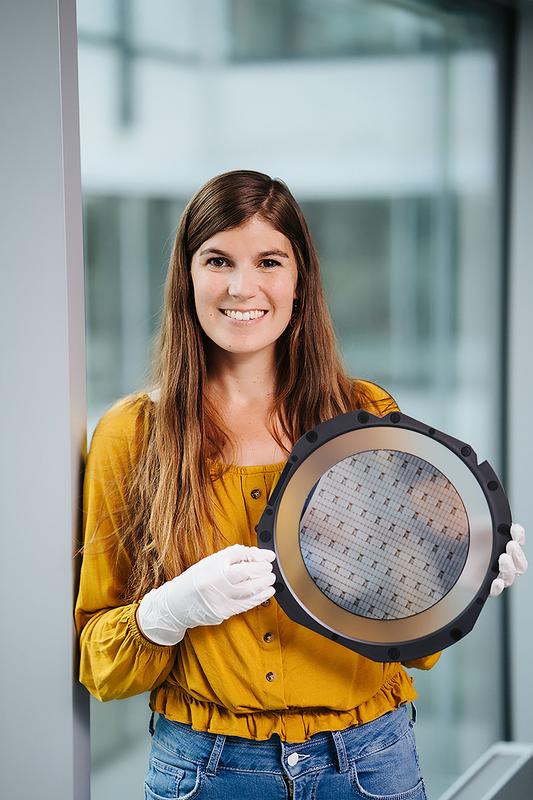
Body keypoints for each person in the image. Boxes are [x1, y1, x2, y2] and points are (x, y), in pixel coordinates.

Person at [75, 169, 527, 800]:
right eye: (218, 260)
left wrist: (462, 572)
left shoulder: (363, 417)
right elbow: (100, 662)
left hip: (371, 762)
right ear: (187, 276)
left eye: (268, 260)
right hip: (204, 773)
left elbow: (410, 644)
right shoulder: (133, 434)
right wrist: (169, 611)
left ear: (299, 279)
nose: (242, 286)